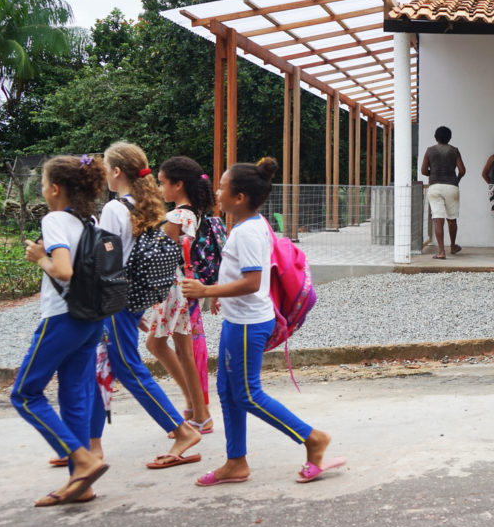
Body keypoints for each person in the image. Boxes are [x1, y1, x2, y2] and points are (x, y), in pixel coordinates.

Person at [181, 157, 344, 486]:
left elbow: (254, 282)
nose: (217, 191)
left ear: (239, 198)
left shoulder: (249, 233)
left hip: (248, 324)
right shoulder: (244, 227)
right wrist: (218, 296)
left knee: (248, 394)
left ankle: (313, 439)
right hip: (237, 320)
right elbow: (242, 275)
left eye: (223, 187)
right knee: (227, 391)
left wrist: (206, 290)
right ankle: (236, 462)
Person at [90, 141, 202, 468]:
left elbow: (107, 261)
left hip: (115, 299)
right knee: (103, 365)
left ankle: (181, 430)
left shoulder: (114, 208)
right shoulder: (148, 204)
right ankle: (88, 445)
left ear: (115, 171)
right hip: (133, 298)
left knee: (126, 367)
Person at [14, 155, 111, 506]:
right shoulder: (89, 219)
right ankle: (81, 485)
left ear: (55, 189)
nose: (41, 189)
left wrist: (39, 257)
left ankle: (82, 461)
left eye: (42, 183)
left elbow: (63, 270)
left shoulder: (55, 219)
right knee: (74, 397)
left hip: (62, 318)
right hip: (90, 319)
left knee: (24, 394)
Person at [146, 156, 214, 435]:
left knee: (169, 349)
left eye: (163, 183)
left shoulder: (177, 217)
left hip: (173, 290)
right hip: (181, 289)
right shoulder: (193, 213)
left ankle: (200, 413)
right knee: (168, 348)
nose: (161, 189)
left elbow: (154, 257)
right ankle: (197, 410)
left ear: (178, 184)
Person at [421, 125, 466, 259]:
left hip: (435, 186)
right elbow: (462, 170)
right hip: (451, 186)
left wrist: (432, 173)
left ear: (436, 138)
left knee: (438, 220)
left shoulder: (429, 151)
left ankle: (441, 252)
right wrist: (456, 180)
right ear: (450, 138)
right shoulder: (454, 150)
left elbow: (423, 171)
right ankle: (452, 246)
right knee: (452, 219)